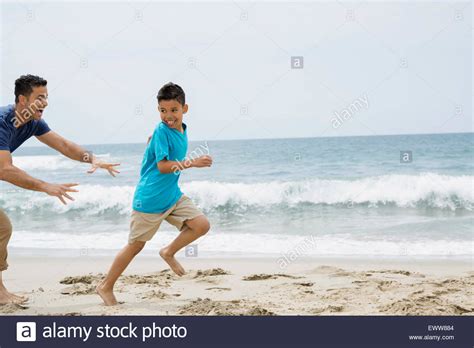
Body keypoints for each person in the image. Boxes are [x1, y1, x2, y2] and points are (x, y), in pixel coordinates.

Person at [0, 74, 120, 304]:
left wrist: (92, 158)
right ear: (23, 100)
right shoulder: (2, 121)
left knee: (1, 228)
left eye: (46, 97)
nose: (45, 102)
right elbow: (4, 169)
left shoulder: (33, 122)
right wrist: (45, 186)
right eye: (39, 97)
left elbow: (63, 145)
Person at [97, 82, 212, 306]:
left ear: (184, 109)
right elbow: (162, 166)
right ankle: (105, 286)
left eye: (173, 110)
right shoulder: (162, 130)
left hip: (171, 195)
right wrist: (193, 163)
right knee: (135, 246)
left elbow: (159, 151)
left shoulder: (180, 129)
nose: (168, 116)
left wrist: (151, 144)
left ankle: (168, 252)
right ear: (157, 110)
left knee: (201, 225)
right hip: (149, 199)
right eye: (162, 111)